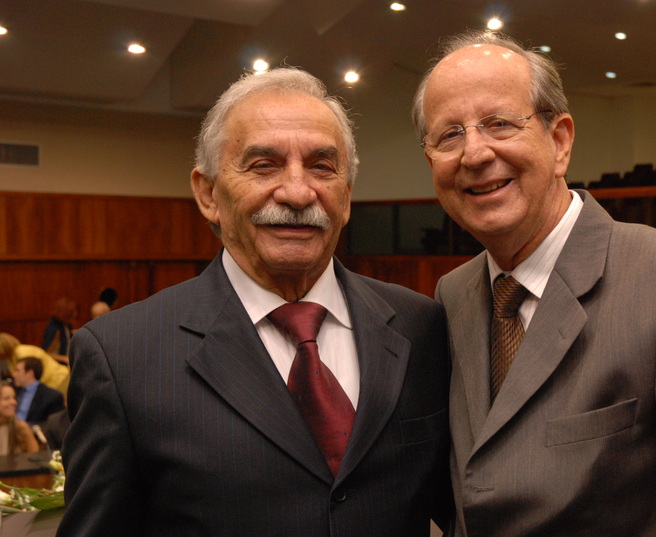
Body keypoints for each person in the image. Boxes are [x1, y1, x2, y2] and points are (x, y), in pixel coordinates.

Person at [412, 31, 656, 536]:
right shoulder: (453, 294)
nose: (474, 153)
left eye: (499, 123)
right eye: (449, 135)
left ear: (559, 142)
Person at [58, 66, 452, 537]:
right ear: (208, 194)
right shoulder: (121, 356)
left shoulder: (419, 326)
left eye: (322, 167)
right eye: (263, 165)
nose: (297, 193)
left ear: (346, 197)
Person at [0, 333, 70, 396]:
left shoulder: (22, 353)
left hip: (59, 380)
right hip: (52, 382)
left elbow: (30, 378)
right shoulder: (11, 357)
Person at [12, 357, 66, 427]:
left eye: (17, 371)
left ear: (29, 373)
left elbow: (54, 424)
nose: (13, 374)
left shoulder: (52, 396)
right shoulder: (12, 389)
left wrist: (26, 427)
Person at [0, 383, 39, 456]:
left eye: (14, 398)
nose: (14, 402)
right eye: (6, 398)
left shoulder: (21, 427)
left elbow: (35, 456)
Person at [42, 297, 77, 363]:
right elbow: (47, 353)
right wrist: (65, 359)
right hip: (57, 365)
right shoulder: (54, 329)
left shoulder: (67, 326)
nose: (75, 314)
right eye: (72, 312)